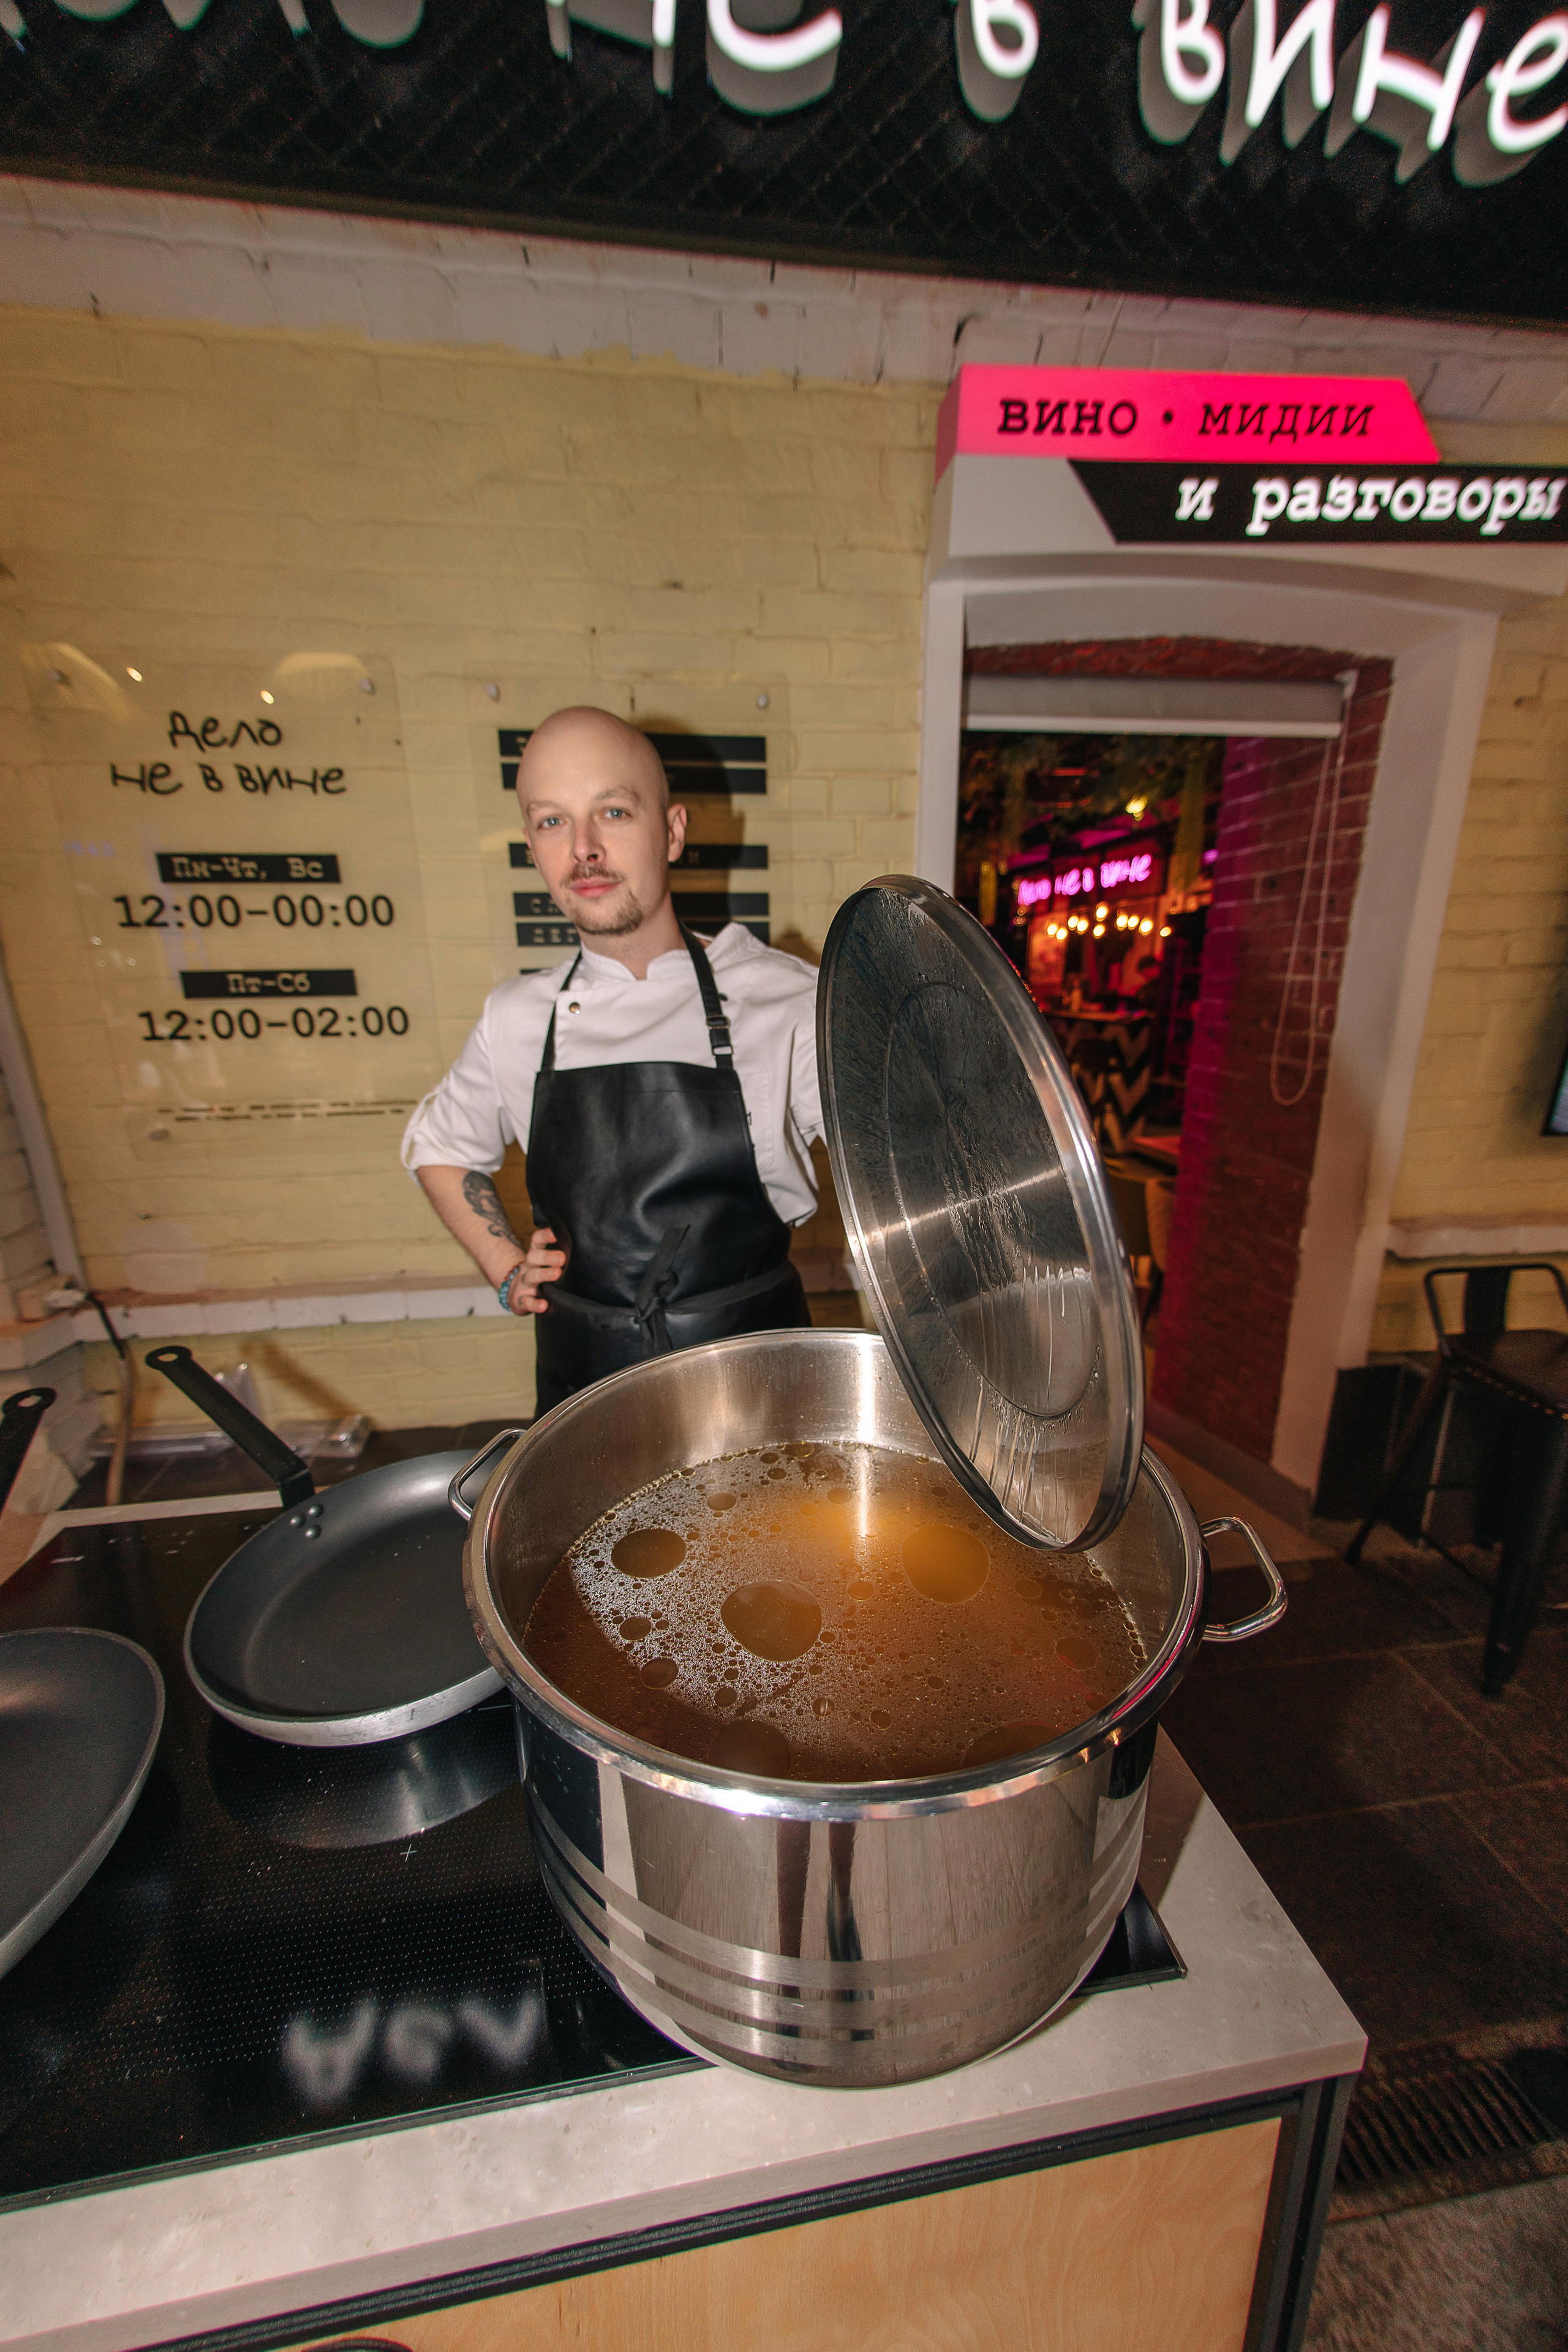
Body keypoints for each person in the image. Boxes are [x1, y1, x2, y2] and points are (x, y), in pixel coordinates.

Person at [402, 707, 820, 1415]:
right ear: (532, 847)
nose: (583, 849)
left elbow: (898, 1169)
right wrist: (506, 1268)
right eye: (552, 821)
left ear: (672, 831)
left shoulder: (785, 997)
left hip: (756, 1382)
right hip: (587, 1392)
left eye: (614, 812)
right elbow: (437, 1148)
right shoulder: (517, 1018)